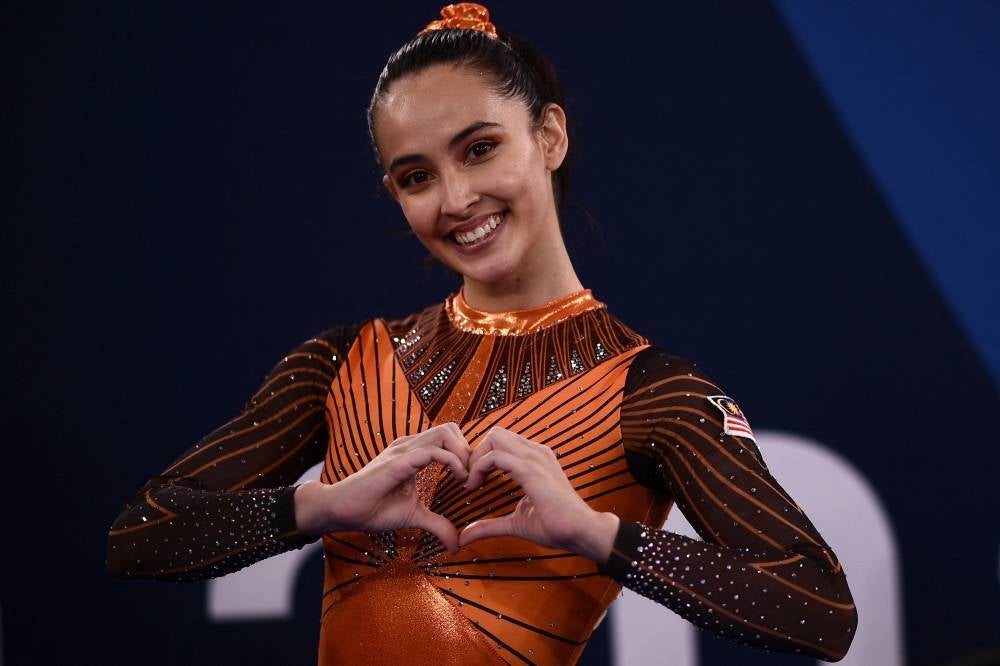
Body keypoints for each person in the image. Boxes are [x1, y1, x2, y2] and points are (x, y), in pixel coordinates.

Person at [107, 4, 857, 663]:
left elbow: (820, 610)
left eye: (479, 148)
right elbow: (141, 535)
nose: (457, 199)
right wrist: (322, 505)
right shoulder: (339, 364)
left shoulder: (653, 395)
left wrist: (596, 535)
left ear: (550, 136)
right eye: (415, 176)